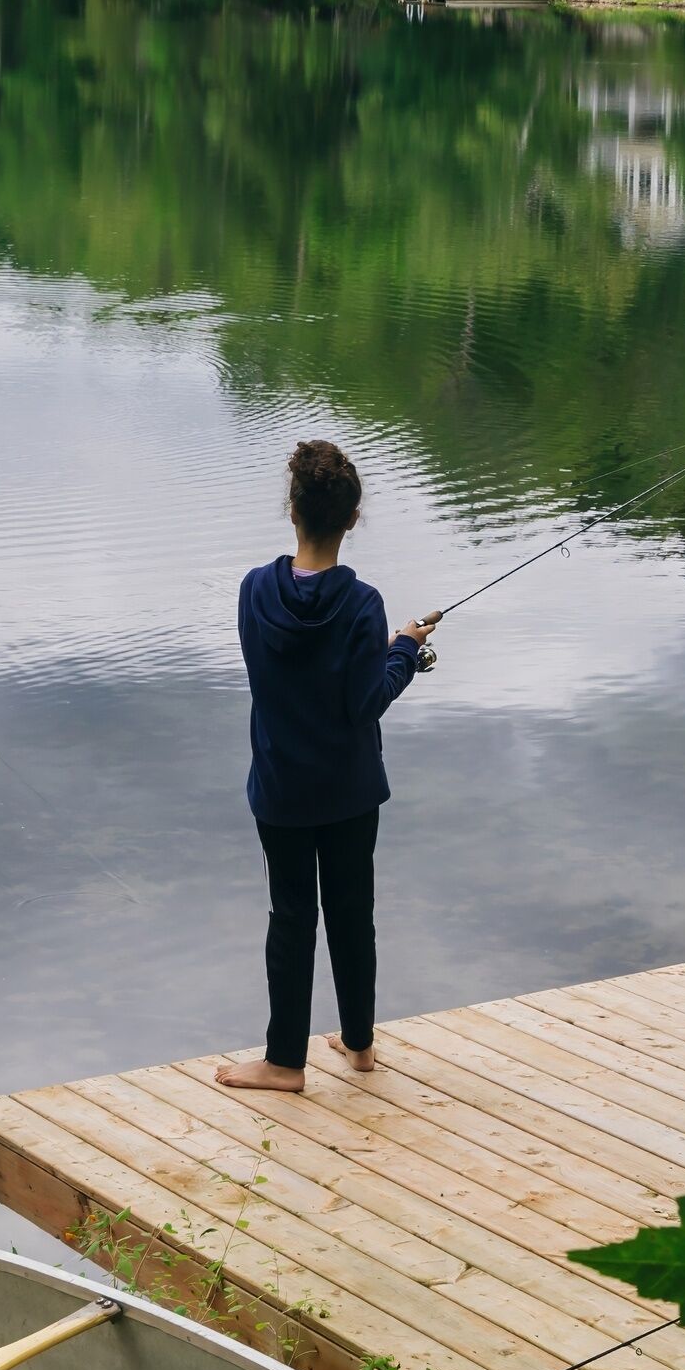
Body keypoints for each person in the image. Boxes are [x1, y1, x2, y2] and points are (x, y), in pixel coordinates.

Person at [218, 439, 437, 1094]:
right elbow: (363, 702)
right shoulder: (362, 603)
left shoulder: (255, 591)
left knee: (291, 917)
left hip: (282, 789)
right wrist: (404, 652)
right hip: (348, 790)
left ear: (294, 512)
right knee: (351, 912)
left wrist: (390, 651)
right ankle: (361, 1045)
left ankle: (285, 1062)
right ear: (350, 519)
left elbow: (278, 678)